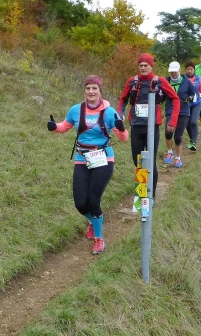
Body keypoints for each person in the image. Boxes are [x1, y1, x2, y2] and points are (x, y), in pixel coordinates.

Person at [47, 75, 128, 255]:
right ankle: (93, 221)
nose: (91, 92)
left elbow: (123, 138)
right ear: (84, 91)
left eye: (94, 88)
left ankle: (99, 239)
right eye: (88, 88)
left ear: (100, 91)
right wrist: (54, 127)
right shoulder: (76, 110)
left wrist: (121, 128)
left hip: (103, 158)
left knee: (93, 201)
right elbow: (64, 126)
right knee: (80, 203)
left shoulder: (109, 112)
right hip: (82, 157)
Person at [118, 53, 180, 199]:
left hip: (152, 127)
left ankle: (151, 197)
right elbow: (123, 99)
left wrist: (173, 121)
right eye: (141, 65)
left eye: (146, 65)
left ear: (151, 66)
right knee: (138, 161)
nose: (143, 68)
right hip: (136, 126)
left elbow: (175, 98)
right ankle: (142, 194)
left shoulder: (159, 81)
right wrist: (119, 113)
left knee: (150, 161)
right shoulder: (132, 81)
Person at [163, 61, 195, 168]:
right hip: (170, 110)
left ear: (179, 70)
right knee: (168, 133)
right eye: (171, 72)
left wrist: (189, 98)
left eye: (175, 72)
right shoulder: (166, 81)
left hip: (183, 111)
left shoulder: (186, 81)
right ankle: (169, 152)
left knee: (178, 136)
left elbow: (192, 94)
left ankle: (178, 158)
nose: (173, 74)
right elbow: (162, 94)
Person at [184, 60, 201, 151]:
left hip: (197, 103)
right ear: (185, 70)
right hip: (186, 104)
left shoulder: (198, 78)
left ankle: (194, 142)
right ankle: (192, 138)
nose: (189, 71)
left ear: (194, 70)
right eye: (188, 69)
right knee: (187, 124)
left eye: (191, 69)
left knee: (193, 122)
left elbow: (200, 88)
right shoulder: (183, 79)